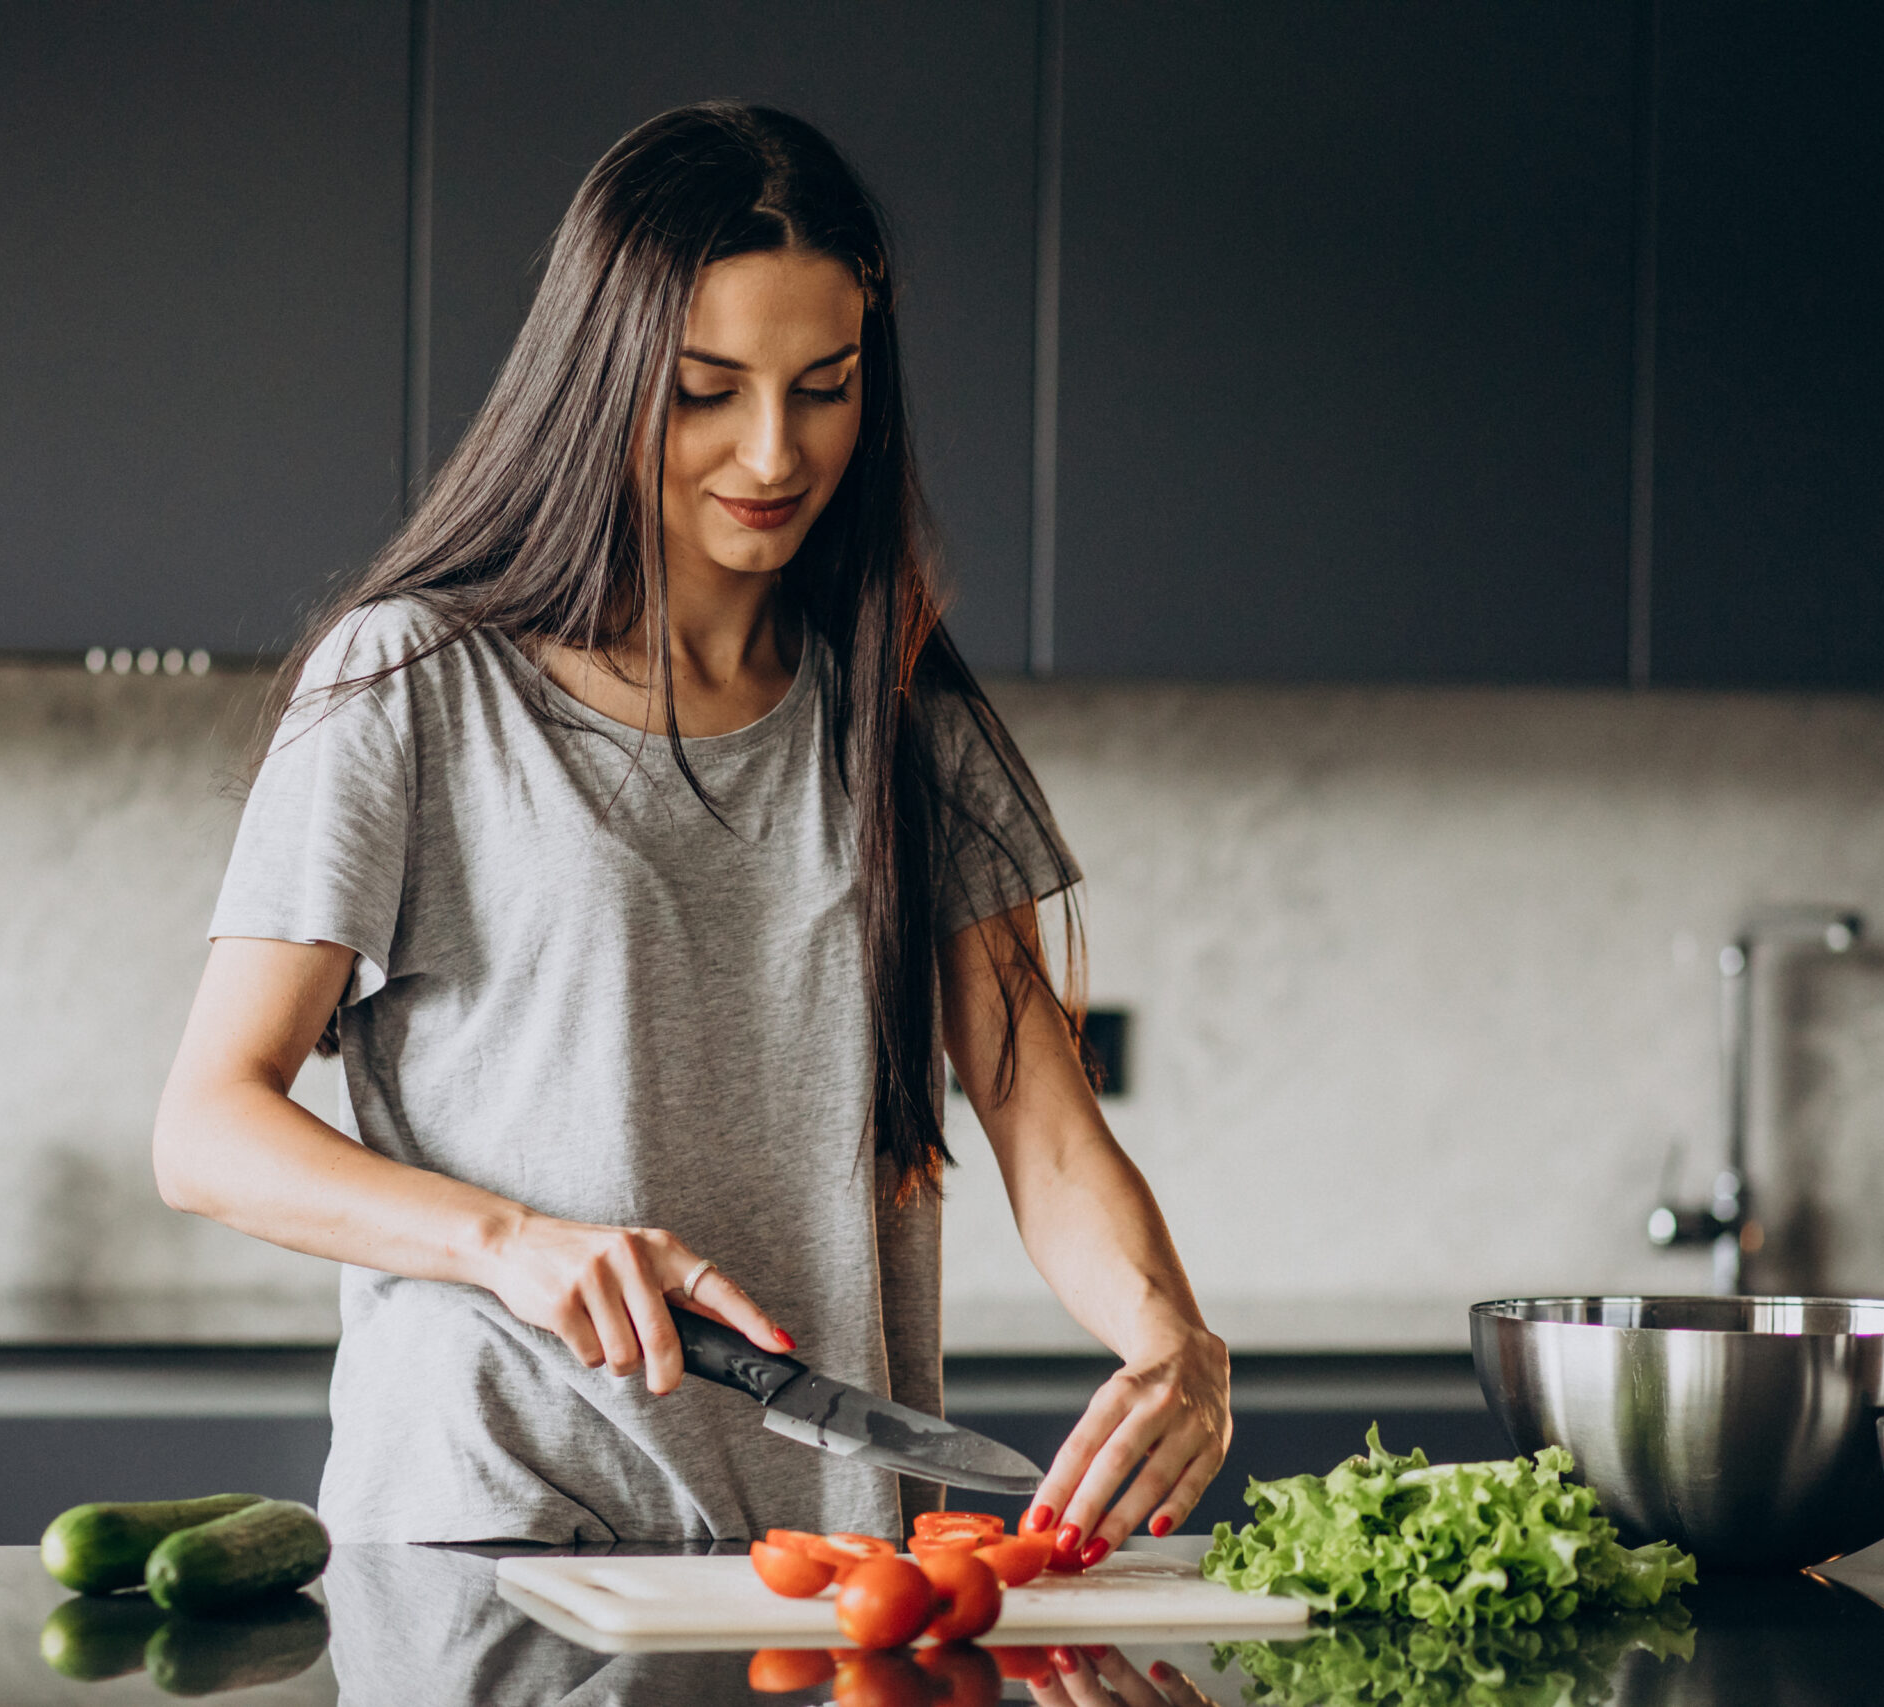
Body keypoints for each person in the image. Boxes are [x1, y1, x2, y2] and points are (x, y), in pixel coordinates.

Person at [154, 102, 1228, 1563]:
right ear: (601, 380)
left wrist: (1173, 1342)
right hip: (500, 1539)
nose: (775, 453)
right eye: (705, 391)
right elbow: (210, 1127)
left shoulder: (902, 717)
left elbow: (1040, 1119)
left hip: (829, 1568)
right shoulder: (412, 686)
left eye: (825, 387)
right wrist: (510, 1246)